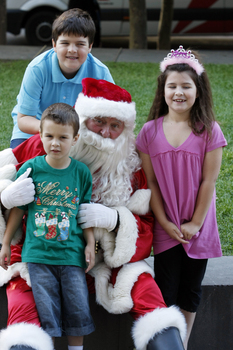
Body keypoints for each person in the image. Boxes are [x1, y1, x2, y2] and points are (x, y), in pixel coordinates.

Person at [0, 78, 186, 350]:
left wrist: (116, 220)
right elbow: (6, 179)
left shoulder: (131, 164)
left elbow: (146, 230)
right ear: (82, 123)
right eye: (99, 121)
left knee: (148, 295)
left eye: (115, 126)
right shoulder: (48, 144)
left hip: (105, 262)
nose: (106, 133)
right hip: (40, 252)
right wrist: (6, 195)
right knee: (23, 312)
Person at [136, 45, 227, 350]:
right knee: (165, 291)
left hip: (198, 228)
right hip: (167, 227)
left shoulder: (209, 131)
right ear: (163, 90)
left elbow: (208, 181)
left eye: (186, 86)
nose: (179, 92)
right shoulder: (148, 132)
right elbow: (151, 183)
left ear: (198, 90)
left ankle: (182, 344)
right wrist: (165, 222)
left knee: (190, 291)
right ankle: (166, 342)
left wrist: (195, 223)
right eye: (172, 86)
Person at [0, 103, 95, 350]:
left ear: (74, 139)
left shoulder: (81, 173)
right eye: (49, 136)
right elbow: (18, 209)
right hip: (39, 256)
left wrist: (90, 244)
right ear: (40, 135)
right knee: (47, 312)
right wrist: (6, 243)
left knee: (78, 307)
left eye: (63, 137)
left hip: (71, 255)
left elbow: (85, 213)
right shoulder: (32, 168)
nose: (55, 143)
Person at [10, 8, 114, 149]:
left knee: (94, 166)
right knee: (24, 168)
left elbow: (111, 117)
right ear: (54, 45)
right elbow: (24, 120)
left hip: (80, 134)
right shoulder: (37, 68)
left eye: (80, 44)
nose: (72, 49)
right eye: (65, 43)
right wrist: (56, 131)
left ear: (90, 46)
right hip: (35, 130)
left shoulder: (100, 73)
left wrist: (72, 134)